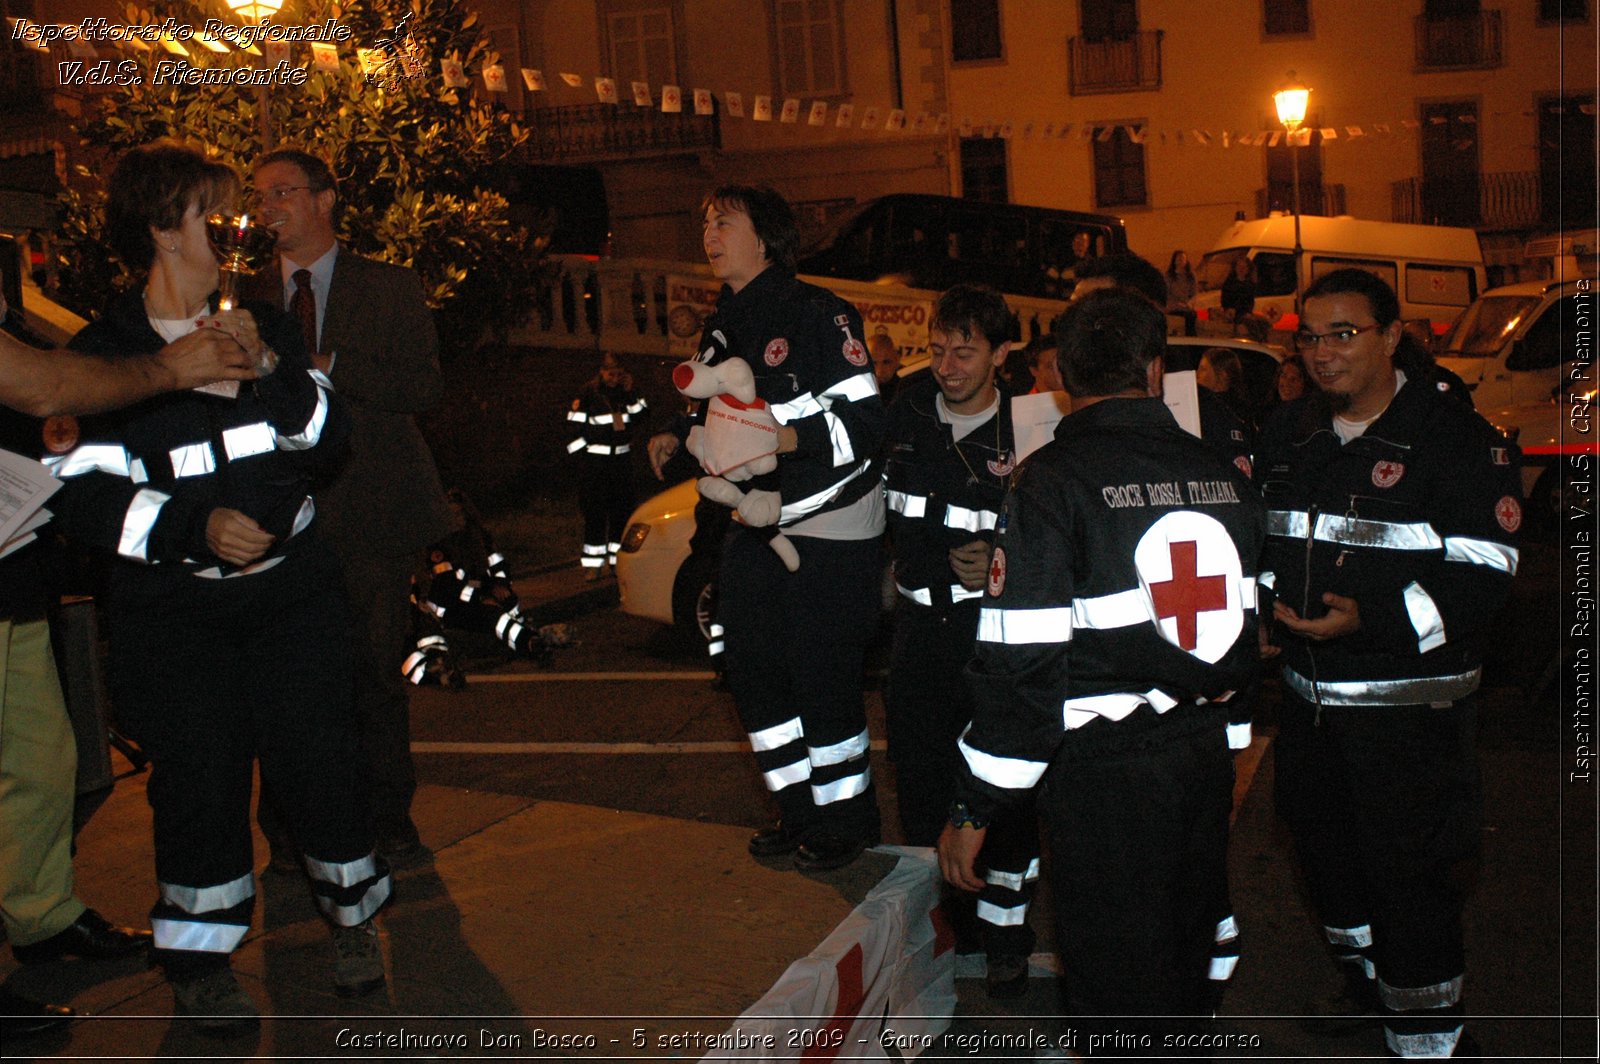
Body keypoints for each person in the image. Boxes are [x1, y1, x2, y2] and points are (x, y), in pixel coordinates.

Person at [46, 141, 389, 1030]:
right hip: (177, 619)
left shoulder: (266, 326)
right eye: (220, 214)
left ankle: (355, 923)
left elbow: (328, 440)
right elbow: (82, 497)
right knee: (196, 788)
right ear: (165, 229)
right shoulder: (105, 354)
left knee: (323, 770)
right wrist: (190, 530)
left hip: (294, 601)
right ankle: (200, 963)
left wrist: (276, 376)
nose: (246, 229)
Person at [938, 286, 1265, 1050]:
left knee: (1116, 970)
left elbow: (1021, 664)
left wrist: (975, 807)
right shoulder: (1224, 476)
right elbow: (1248, 626)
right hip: (1201, 754)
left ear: (1060, 376)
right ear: (1155, 371)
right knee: (1190, 944)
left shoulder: (1052, 482)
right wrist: (1231, 743)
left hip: (1103, 774)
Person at [1257, 268, 1520, 1059]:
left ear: (1392, 333)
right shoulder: (1290, 434)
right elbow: (1261, 542)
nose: (1322, 352)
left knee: (1412, 892)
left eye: (1343, 333)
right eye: (1309, 336)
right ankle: (1370, 993)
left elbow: (1487, 569)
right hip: (1307, 708)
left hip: (1411, 723)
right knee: (1330, 874)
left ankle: (1433, 1041)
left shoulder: (1456, 440)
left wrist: (1371, 619)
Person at [1, 325, 260, 1038]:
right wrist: (167, 368)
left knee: (42, 760)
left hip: (10, 570)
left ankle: (41, 917)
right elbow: (39, 381)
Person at [649, 185, 885, 871]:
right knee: (753, 673)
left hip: (829, 528)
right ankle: (797, 811)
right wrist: (674, 433)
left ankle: (846, 821)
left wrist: (785, 440)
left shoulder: (819, 315)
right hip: (750, 526)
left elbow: (865, 426)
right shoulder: (724, 323)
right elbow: (716, 407)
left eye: (724, 220)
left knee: (822, 678)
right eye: (704, 220)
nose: (709, 233)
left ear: (766, 237)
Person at [244, 148, 457, 867]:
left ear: (325, 199)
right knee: (282, 681)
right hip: (276, 517)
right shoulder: (244, 300)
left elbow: (424, 387)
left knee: (371, 675)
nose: (269, 207)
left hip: (371, 513)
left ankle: (388, 818)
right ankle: (287, 830)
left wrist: (333, 368)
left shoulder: (388, 287)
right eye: (260, 195)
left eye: (283, 192)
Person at [880, 284, 1038, 999]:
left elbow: (1056, 531)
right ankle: (938, 933)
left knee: (1003, 791)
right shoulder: (903, 411)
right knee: (920, 784)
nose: (947, 365)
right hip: (917, 633)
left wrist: (1002, 553)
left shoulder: (1033, 428)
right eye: (938, 348)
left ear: (1003, 354)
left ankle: (1006, 934)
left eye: (965, 351)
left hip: (994, 638)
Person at [566, 352, 645, 580]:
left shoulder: (625, 392)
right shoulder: (588, 393)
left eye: (619, 374)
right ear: (602, 372)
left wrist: (633, 393)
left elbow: (641, 417)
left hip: (621, 463)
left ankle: (615, 561)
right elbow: (573, 429)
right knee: (595, 514)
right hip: (595, 465)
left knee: (621, 512)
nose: (614, 378)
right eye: (611, 373)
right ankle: (593, 565)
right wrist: (583, 460)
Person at [1221, 255, 1257, 335]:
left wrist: (1248, 312)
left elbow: (1250, 301)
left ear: (1248, 269)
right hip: (1232, 313)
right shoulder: (1229, 283)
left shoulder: (1250, 285)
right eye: (1239, 266)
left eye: (1244, 267)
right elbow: (1224, 299)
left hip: (1244, 313)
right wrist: (1228, 309)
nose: (1241, 269)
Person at [1166, 250, 1198, 335]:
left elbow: (1194, 293)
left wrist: (1189, 303)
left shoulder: (1191, 276)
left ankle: (1191, 338)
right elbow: (1167, 294)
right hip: (1174, 306)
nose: (1181, 261)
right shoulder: (1169, 276)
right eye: (1179, 259)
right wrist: (1176, 304)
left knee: (1192, 315)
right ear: (1174, 261)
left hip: (1186, 306)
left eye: (1183, 259)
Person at [868, 331, 903, 405]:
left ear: (897, 360)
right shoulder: (857, 388)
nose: (879, 371)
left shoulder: (906, 389)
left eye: (886, 362)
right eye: (873, 363)